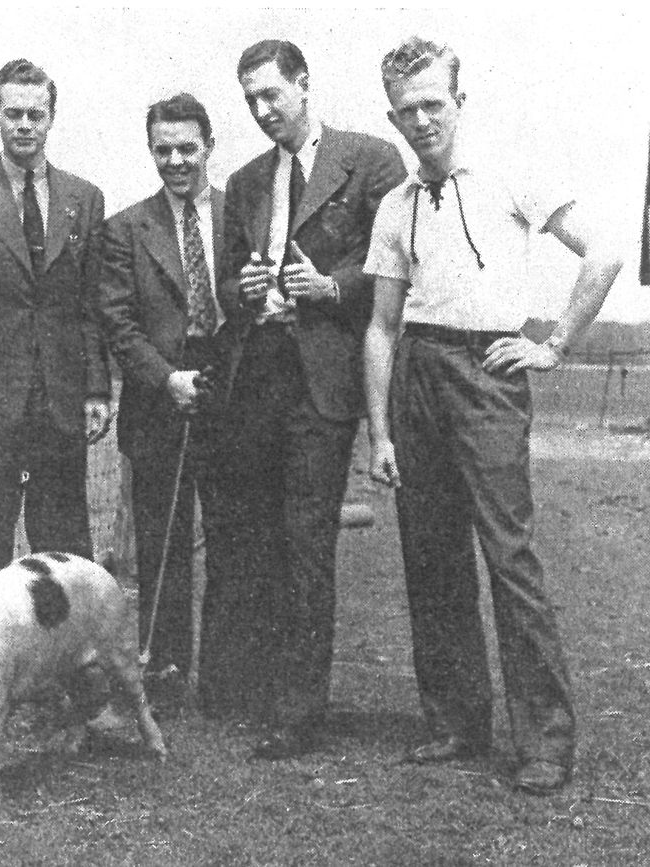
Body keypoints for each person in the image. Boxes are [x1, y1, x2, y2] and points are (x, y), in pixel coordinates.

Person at [363, 36, 623, 794]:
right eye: (406, 110)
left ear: (459, 102)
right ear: (393, 116)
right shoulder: (396, 205)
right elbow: (381, 325)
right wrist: (379, 431)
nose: (422, 121)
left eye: (433, 104)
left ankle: (544, 739)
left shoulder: (511, 174)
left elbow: (604, 251)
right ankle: (454, 721)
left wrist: (554, 344)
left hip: (489, 373)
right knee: (431, 554)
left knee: (509, 556)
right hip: (418, 373)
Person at [211, 39, 406, 757]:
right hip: (256, 375)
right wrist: (250, 287)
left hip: (322, 378)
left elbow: (391, 258)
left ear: (304, 85)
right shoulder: (245, 179)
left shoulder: (371, 158)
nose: (263, 111)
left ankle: (299, 712)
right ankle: (263, 689)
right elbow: (230, 281)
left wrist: (331, 287)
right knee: (256, 535)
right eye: (251, 100)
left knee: (305, 539)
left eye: (273, 95)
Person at [0, 59, 110, 584]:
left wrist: (97, 390)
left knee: (65, 555)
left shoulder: (83, 199)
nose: (25, 125)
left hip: (59, 402)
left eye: (36, 114)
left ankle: (64, 666)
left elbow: (91, 305)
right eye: (13, 113)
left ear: (52, 118)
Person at [97, 93, 225, 691]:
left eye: (187, 149)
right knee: (162, 542)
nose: (176, 161)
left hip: (230, 393)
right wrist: (166, 379)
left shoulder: (243, 211)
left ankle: (231, 675)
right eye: (163, 149)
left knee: (232, 536)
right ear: (151, 150)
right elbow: (117, 323)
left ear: (208, 147)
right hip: (158, 397)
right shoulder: (124, 228)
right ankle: (168, 665)